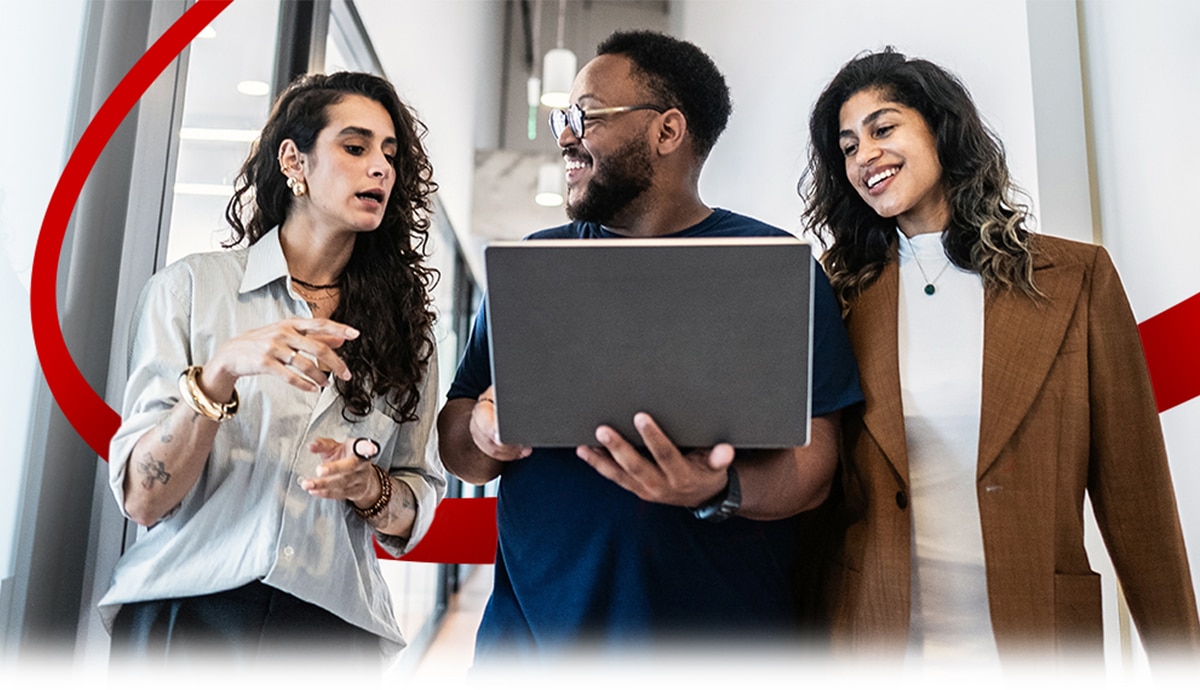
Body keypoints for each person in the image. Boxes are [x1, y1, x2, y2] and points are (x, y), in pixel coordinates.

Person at [437, 30, 863, 664]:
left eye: (584, 115)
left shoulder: (774, 269)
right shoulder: (533, 264)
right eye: (562, 117)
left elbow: (817, 466)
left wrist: (712, 490)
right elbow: (459, 444)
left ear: (668, 132)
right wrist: (480, 431)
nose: (563, 135)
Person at [800, 47, 1200, 668]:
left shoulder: (1075, 278)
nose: (865, 156)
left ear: (941, 128)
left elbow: (1137, 493)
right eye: (848, 146)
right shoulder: (836, 295)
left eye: (884, 128)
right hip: (873, 644)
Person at [99, 71, 445, 664]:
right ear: (295, 161)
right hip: (187, 615)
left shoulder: (410, 332)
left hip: (332, 631)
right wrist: (221, 372)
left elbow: (414, 505)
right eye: (356, 147)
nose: (381, 169)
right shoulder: (189, 290)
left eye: (390, 155)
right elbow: (142, 500)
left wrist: (370, 488)